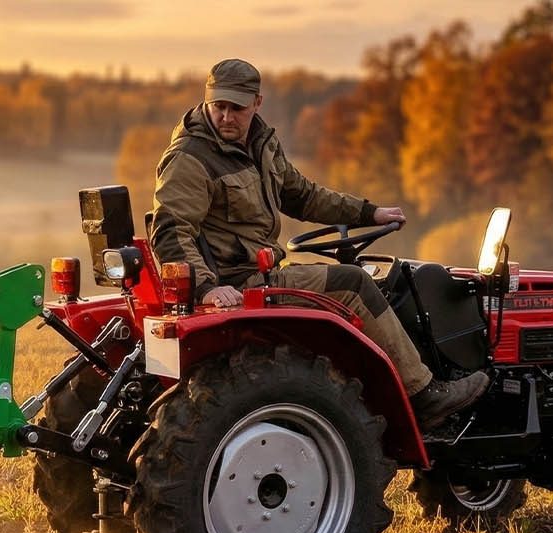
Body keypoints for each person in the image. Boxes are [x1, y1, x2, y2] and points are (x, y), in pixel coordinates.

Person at [145, 58, 489, 431]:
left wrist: (369, 213)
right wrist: (207, 288)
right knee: (353, 283)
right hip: (238, 283)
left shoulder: (261, 144)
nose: (226, 117)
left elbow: (302, 195)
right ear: (207, 100)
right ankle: (423, 395)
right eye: (219, 106)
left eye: (236, 108)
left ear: (257, 103)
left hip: (259, 273)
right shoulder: (191, 158)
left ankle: (383, 392)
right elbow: (169, 229)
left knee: (369, 284)